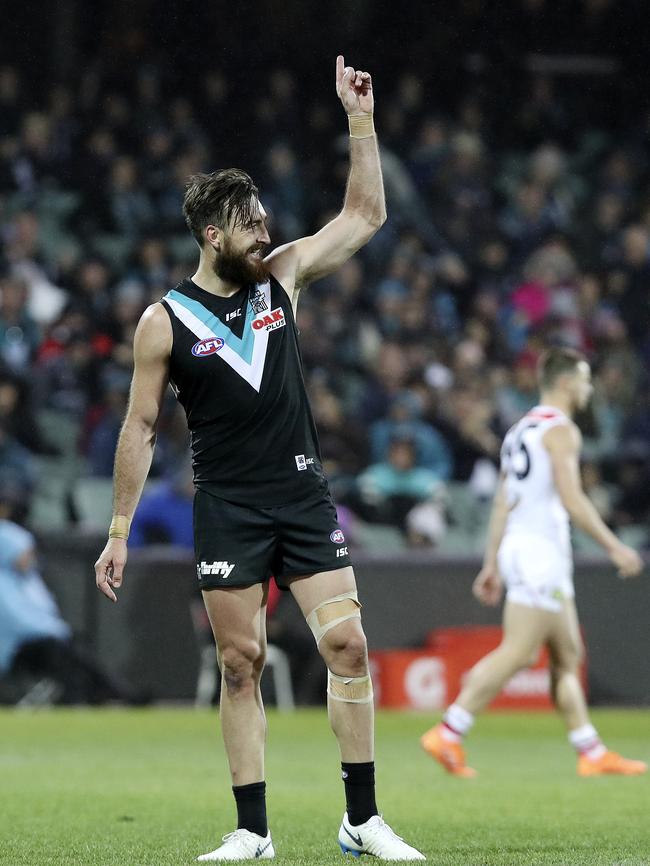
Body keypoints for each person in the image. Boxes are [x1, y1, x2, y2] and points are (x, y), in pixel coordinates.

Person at [95, 57, 424, 862]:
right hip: (229, 504)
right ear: (213, 235)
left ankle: (362, 819)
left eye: (267, 222)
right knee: (239, 662)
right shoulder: (163, 322)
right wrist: (118, 529)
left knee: (347, 646)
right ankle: (252, 830)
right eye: (251, 225)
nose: (267, 234)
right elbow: (138, 430)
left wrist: (359, 118)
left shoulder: (284, 279)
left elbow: (365, 215)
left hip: (302, 495)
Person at [420, 347, 646, 778]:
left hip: (525, 550)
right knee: (520, 652)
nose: (589, 387)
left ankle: (590, 750)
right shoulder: (560, 431)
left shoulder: (519, 429)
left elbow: (504, 501)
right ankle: (449, 730)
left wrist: (491, 563)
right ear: (564, 382)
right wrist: (614, 546)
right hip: (541, 552)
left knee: (567, 654)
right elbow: (573, 497)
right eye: (584, 379)